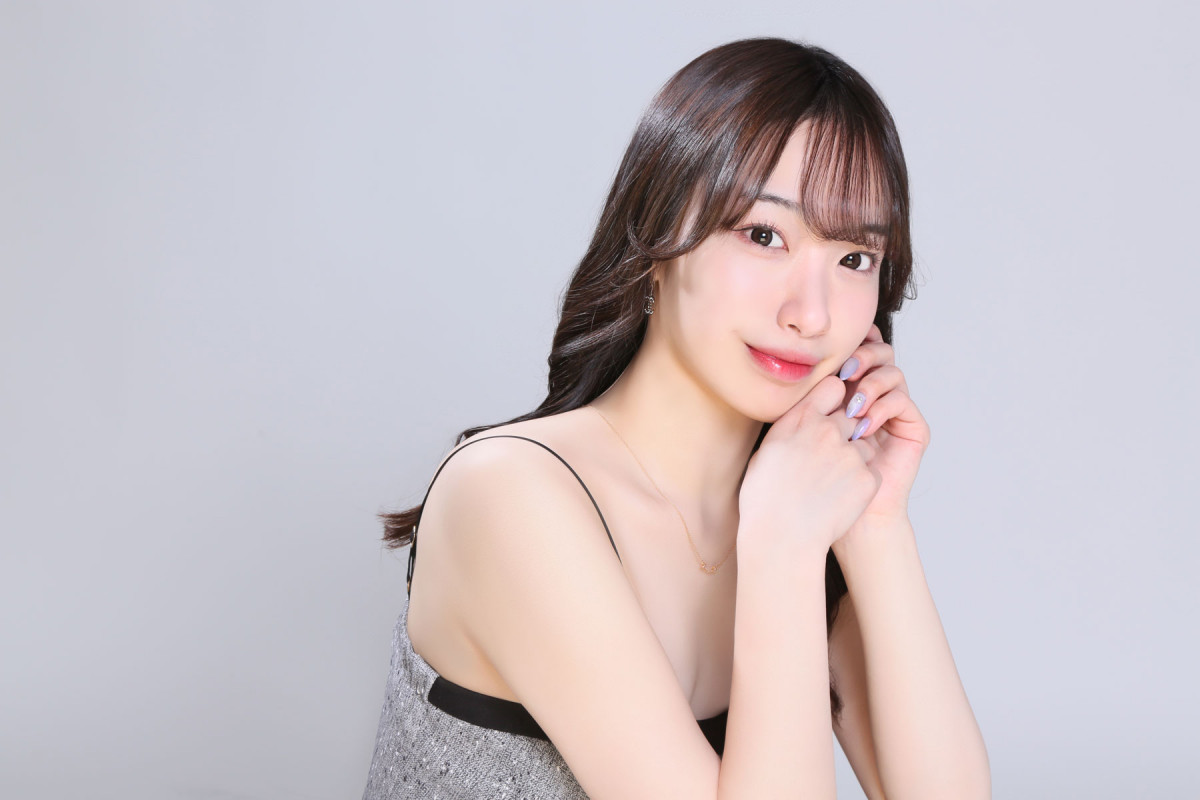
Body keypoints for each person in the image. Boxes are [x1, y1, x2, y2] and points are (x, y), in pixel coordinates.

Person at [362, 37, 990, 800]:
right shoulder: (508, 493)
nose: (812, 314)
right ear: (657, 241)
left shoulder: (793, 504)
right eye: (764, 235)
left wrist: (877, 525)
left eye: (854, 258)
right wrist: (784, 550)